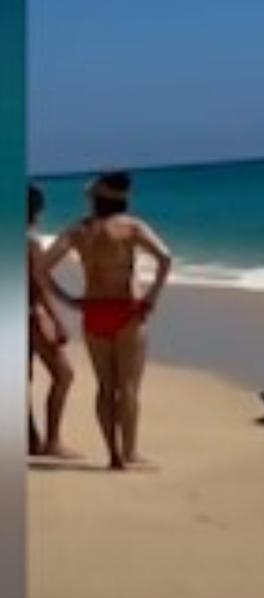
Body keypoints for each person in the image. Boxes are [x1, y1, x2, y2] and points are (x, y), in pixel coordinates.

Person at [38, 171, 172, 470]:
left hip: (94, 311)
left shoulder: (78, 231)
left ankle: (112, 453)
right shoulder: (132, 227)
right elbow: (165, 258)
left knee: (105, 386)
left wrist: (69, 300)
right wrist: (151, 298)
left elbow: (41, 268)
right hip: (126, 310)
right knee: (128, 387)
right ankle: (130, 452)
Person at [26, 184, 75, 457]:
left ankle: (32, 439)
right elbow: (39, 285)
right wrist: (56, 319)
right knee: (64, 375)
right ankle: (52, 441)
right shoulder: (30, 242)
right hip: (28, 315)